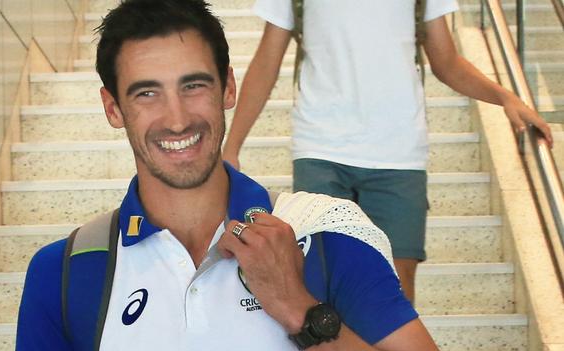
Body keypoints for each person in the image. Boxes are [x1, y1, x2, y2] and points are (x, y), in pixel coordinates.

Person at [13, 0, 451, 351]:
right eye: (147, 93)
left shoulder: (320, 237)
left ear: (228, 89)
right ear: (112, 108)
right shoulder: (66, 271)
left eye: (194, 86)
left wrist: (300, 310)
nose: (177, 118)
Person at [222, 0, 554, 303]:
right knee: (321, 283)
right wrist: (232, 145)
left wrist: (506, 98)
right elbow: (268, 60)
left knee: (395, 289)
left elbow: (446, 62)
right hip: (321, 147)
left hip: (398, 154)